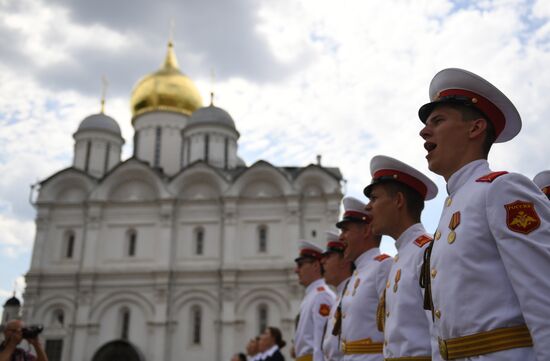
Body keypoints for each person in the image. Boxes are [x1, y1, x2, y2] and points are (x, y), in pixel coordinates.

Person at [418, 68, 550, 361]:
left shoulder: (502, 190)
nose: (424, 131)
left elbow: (544, 299)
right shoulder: (450, 211)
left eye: (438, 121)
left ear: (475, 129)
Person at [363, 155, 438, 361]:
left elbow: (439, 331)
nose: (368, 207)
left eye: (375, 198)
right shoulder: (402, 257)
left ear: (398, 201)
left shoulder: (426, 251)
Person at [336, 197, 392, 361]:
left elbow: (395, 332)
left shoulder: (382, 267)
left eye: (346, 230)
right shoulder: (356, 274)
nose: (341, 238)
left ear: (366, 231)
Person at [293, 240, 336, 361]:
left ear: (316, 265)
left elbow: (321, 343)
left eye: (300, 265)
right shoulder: (313, 295)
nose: (296, 270)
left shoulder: (321, 296)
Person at [320, 231, 353, 361]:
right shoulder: (339, 295)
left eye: (328, 256)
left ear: (344, 260)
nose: (323, 261)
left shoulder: (350, 292)